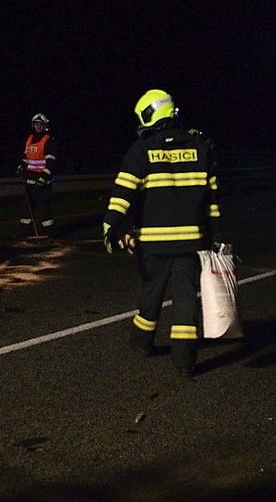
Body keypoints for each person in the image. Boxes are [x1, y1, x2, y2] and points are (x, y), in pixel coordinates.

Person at [102, 89, 222, 377]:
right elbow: (213, 200)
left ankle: (141, 343)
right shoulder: (200, 147)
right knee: (185, 301)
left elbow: (123, 194)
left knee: (151, 295)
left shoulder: (141, 150)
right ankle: (184, 362)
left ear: (148, 114)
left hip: (153, 245)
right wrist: (217, 236)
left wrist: (111, 229)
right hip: (191, 242)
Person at [16, 113, 59, 236]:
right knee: (26, 208)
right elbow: (26, 158)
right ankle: (26, 233)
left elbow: (51, 163)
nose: (38, 126)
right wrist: (21, 166)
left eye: (41, 124)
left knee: (44, 209)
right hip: (29, 180)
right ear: (33, 125)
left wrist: (43, 177)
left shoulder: (48, 140)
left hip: (43, 181)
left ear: (45, 126)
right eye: (36, 124)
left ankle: (49, 233)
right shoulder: (29, 139)